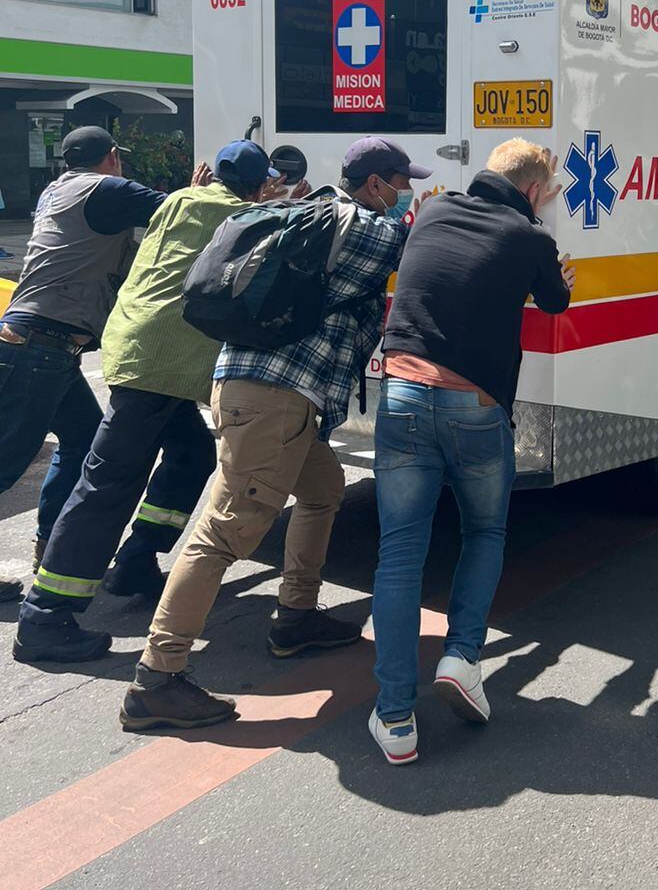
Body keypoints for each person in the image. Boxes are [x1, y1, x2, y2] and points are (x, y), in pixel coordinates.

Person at [117, 138, 428, 730]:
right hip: (271, 401)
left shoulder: (306, 212)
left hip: (266, 393)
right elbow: (418, 245)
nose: (406, 192)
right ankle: (156, 678)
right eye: (401, 181)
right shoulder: (359, 226)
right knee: (223, 534)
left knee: (324, 486)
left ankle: (296, 617)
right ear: (375, 184)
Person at [13, 143, 286, 664]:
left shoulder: (182, 200)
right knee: (109, 481)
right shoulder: (242, 215)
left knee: (191, 453)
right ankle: (45, 616)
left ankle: (136, 561)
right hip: (164, 360)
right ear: (255, 186)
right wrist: (270, 201)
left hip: (139, 349)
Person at [367, 140, 573, 766]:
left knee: (400, 553)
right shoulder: (530, 236)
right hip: (476, 409)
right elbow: (555, 304)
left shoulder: (431, 210)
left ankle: (396, 717)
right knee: (484, 530)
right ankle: (462, 656)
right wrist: (552, 272)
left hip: (401, 392)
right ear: (534, 190)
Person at [0, 127, 187, 602]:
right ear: (113, 158)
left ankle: (50, 548)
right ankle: (52, 550)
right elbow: (181, 210)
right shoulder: (105, 188)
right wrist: (204, 188)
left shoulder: (57, 191)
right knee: (7, 462)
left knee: (83, 437)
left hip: (42, 345)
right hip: (41, 346)